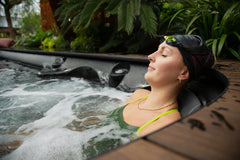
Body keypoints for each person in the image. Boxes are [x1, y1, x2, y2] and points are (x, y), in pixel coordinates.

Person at [112, 35, 214, 137]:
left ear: (183, 73)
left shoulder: (165, 122)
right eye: (156, 50)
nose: (150, 56)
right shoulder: (138, 94)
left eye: (164, 54)